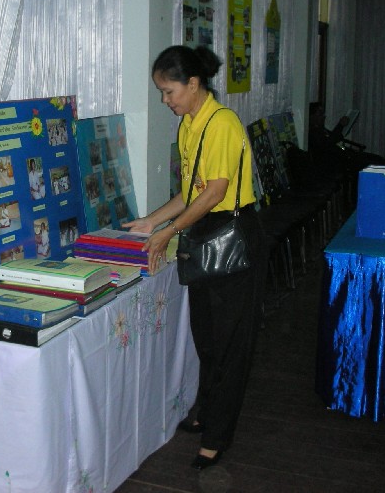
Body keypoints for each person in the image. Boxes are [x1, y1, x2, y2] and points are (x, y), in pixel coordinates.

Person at [122, 45, 266, 471]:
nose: (165, 100)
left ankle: (218, 435)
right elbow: (190, 192)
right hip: (204, 236)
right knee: (207, 337)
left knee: (231, 343)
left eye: (169, 92)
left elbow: (216, 193)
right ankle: (207, 409)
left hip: (233, 239)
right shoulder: (189, 125)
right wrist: (152, 221)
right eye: (162, 93)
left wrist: (170, 231)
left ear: (193, 83)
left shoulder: (222, 123)